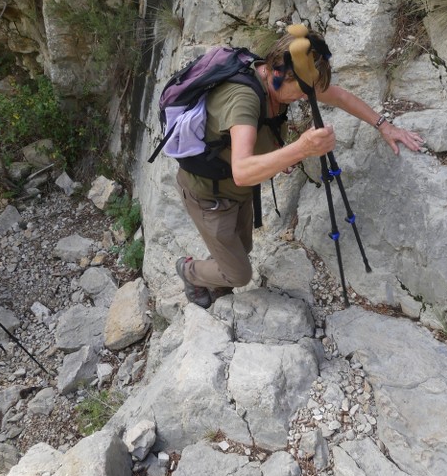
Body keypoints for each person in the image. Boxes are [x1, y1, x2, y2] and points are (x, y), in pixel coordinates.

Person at [175, 29, 423, 308]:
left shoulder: (286, 79)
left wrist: (385, 126)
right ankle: (189, 272)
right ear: (273, 72)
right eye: (302, 91)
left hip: (238, 193)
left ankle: (217, 277)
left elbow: (338, 96)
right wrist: (302, 148)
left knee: (243, 249)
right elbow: (242, 171)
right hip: (210, 196)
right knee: (239, 273)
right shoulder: (243, 99)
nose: (306, 97)